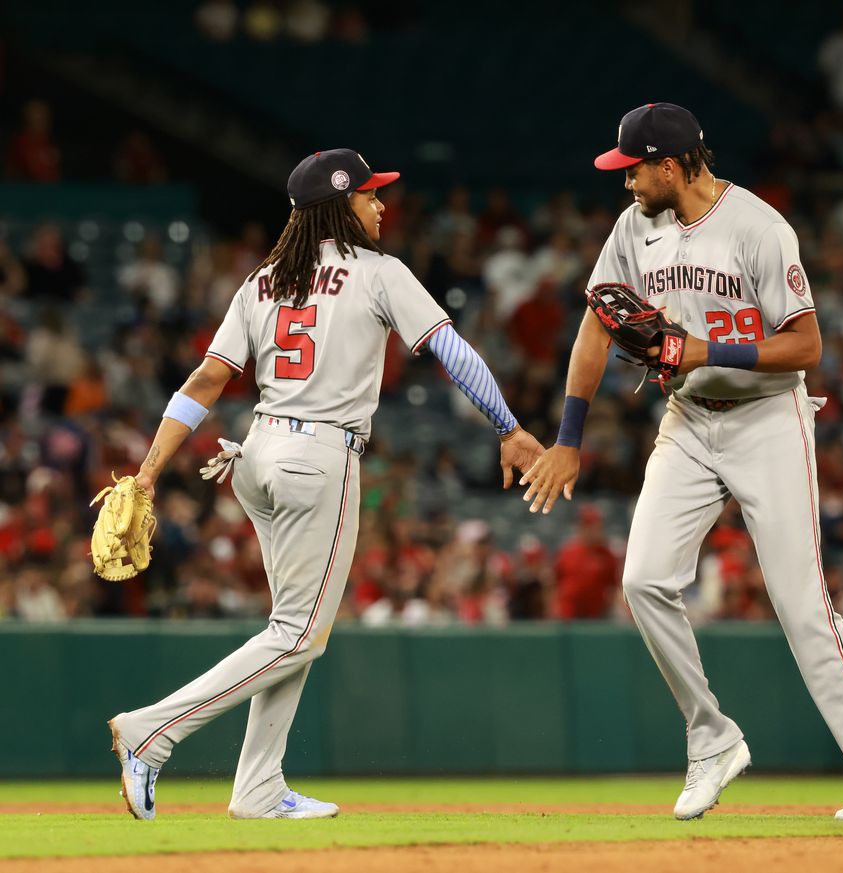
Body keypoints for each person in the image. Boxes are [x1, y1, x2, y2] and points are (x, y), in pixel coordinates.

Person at [106, 149, 542, 821]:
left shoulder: (262, 280)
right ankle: (152, 731)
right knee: (301, 634)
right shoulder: (377, 272)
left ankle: (257, 786)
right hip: (318, 458)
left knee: (289, 629)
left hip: (255, 454)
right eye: (370, 195)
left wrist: (148, 470)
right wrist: (507, 425)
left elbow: (206, 381)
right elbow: (452, 349)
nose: (381, 205)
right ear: (339, 206)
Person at [521, 103, 843, 821]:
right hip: (690, 419)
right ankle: (711, 735)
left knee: (800, 603)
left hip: (768, 418)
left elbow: (807, 348)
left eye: (633, 169)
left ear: (670, 165)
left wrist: (703, 349)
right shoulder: (634, 229)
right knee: (642, 579)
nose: (626, 182)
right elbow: (597, 327)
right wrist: (569, 436)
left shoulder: (759, 227)